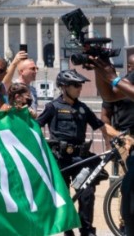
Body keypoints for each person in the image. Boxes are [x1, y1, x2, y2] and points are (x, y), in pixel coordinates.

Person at [38, 69, 104, 236]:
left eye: (80, 85)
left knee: (87, 194)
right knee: (64, 195)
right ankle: (68, 230)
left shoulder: (83, 108)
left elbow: (101, 125)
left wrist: (118, 135)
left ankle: (87, 230)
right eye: (76, 85)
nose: (79, 88)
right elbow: (35, 126)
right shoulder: (52, 107)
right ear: (64, 87)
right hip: (59, 158)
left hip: (80, 158)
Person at [90, 54, 134, 236]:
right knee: (128, 190)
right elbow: (108, 95)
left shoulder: (123, 82)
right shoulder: (126, 82)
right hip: (127, 139)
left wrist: (112, 78)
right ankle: (126, 226)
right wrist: (99, 70)